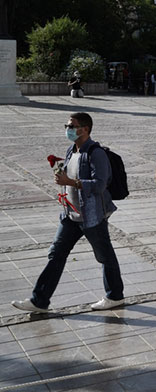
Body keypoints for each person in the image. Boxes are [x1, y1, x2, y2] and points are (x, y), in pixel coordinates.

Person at [12, 113, 125, 313]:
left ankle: (115, 296)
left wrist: (70, 182)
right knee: (56, 254)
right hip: (70, 216)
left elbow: (100, 184)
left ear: (86, 129)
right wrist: (62, 180)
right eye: (67, 125)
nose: (68, 129)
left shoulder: (96, 153)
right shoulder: (71, 150)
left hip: (92, 216)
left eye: (72, 126)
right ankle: (40, 301)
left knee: (105, 256)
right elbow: (69, 178)